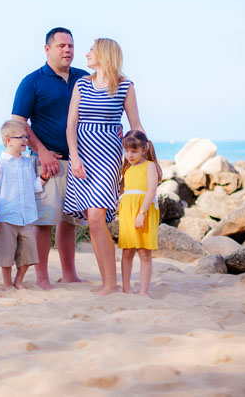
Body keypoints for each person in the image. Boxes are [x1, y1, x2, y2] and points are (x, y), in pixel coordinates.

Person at [65, 37, 145, 296]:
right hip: (82, 158)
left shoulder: (125, 87)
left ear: (104, 55)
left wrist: (147, 157)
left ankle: (111, 284)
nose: (86, 54)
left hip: (109, 157)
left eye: (91, 50)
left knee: (98, 217)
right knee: (92, 221)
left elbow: (135, 126)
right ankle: (107, 282)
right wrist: (74, 158)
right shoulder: (81, 84)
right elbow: (71, 125)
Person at [11, 27, 88, 290]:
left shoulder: (84, 78)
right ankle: (41, 277)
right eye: (61, 46)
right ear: (47, 49)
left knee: (70, 222)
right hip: (47, 163)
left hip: (79, 162)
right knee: (44, 222)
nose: (68, 50)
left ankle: (69, 274)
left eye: (71, 46)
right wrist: (42, 151)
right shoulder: (32, 81)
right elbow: (17, 123)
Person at [0, 120, 42, 290]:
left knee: (29, 252)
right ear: (8, 140)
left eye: (26, 137)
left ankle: (19, 280)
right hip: (6, 217)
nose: (25, 141)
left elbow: (34, 186)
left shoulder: (28, 163)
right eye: (21, 138)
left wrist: (45, 177)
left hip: (26, 216)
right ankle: (6, 283)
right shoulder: (0, 165)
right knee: (6, 253)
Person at [117, 130, 160, 297]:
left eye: (134, 151)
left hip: (144, 210)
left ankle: (144, 292)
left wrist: (142, 212)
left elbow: (152, 191)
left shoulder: (149, 166)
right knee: (127, 250)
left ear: (144, 149)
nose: (130, 154)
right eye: (127, 150)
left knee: (144, 251)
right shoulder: (126, 169)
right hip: (127, 211)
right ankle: (126, 289)